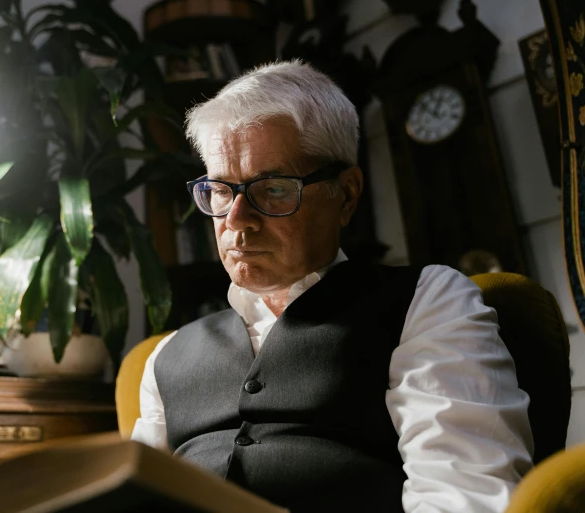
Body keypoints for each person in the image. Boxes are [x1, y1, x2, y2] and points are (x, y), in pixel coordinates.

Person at [131, 60, 533, 513]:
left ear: (347, 193)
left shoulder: (425, 302)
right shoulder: (165, 357)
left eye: (273, 189)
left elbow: (466, 496)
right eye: (221, 191)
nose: (237, 222)